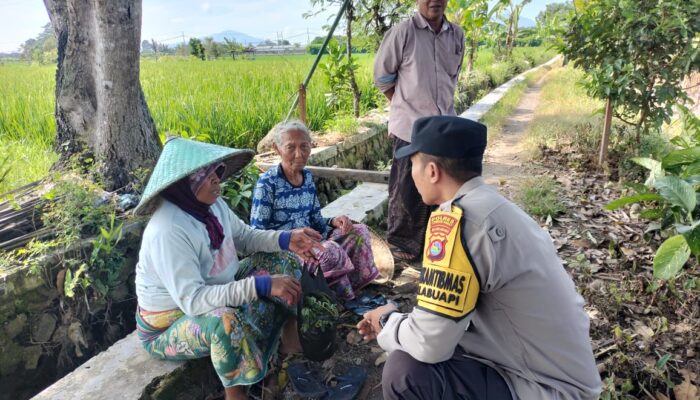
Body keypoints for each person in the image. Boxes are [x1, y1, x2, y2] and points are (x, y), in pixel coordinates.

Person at [357, 116, 602, 400]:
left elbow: (429, 344)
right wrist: (404, 320)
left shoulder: (458, 222)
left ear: (433, 171)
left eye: (412, 163)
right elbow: (443, 319)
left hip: (544, 388)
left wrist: (387, 323)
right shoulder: (494, 207)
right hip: (553, 374)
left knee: (406, 371)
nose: (410, 172)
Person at [133, 136, 324, 400]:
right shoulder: (168, 231)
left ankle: (288, 353)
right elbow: (194, 301)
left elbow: (245, 237)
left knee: (285, 261)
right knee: (225, 321)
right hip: (171, 321)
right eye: (206, 175)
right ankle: (237, 394)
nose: (216, 179)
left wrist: (286, 238)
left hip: (217, 287)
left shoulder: (211, 206)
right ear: (182, 185)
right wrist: (262, 285)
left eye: (216, 172)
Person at [374, 0, 465, 261]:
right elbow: (382, 78)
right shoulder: (403, 32)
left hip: (443, 127)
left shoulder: (456, 35)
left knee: (442, 187)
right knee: (406, 189)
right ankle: (402, 248)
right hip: (410, 128)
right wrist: (404, 105)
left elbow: (452, 77)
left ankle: (434, 247)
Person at [250, 120, 379, 300]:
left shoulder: (307, 178)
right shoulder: (267, 184)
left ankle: (355, 288)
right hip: (285, 249)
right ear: (277, 149)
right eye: (290, 147)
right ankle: (337, 300)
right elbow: (256, 234)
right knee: (328, 252)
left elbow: (316, 221)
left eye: (304, 146)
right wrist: (291, 236)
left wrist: (333, 221)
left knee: (358, 232)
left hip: (313, 241)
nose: (299, 154)